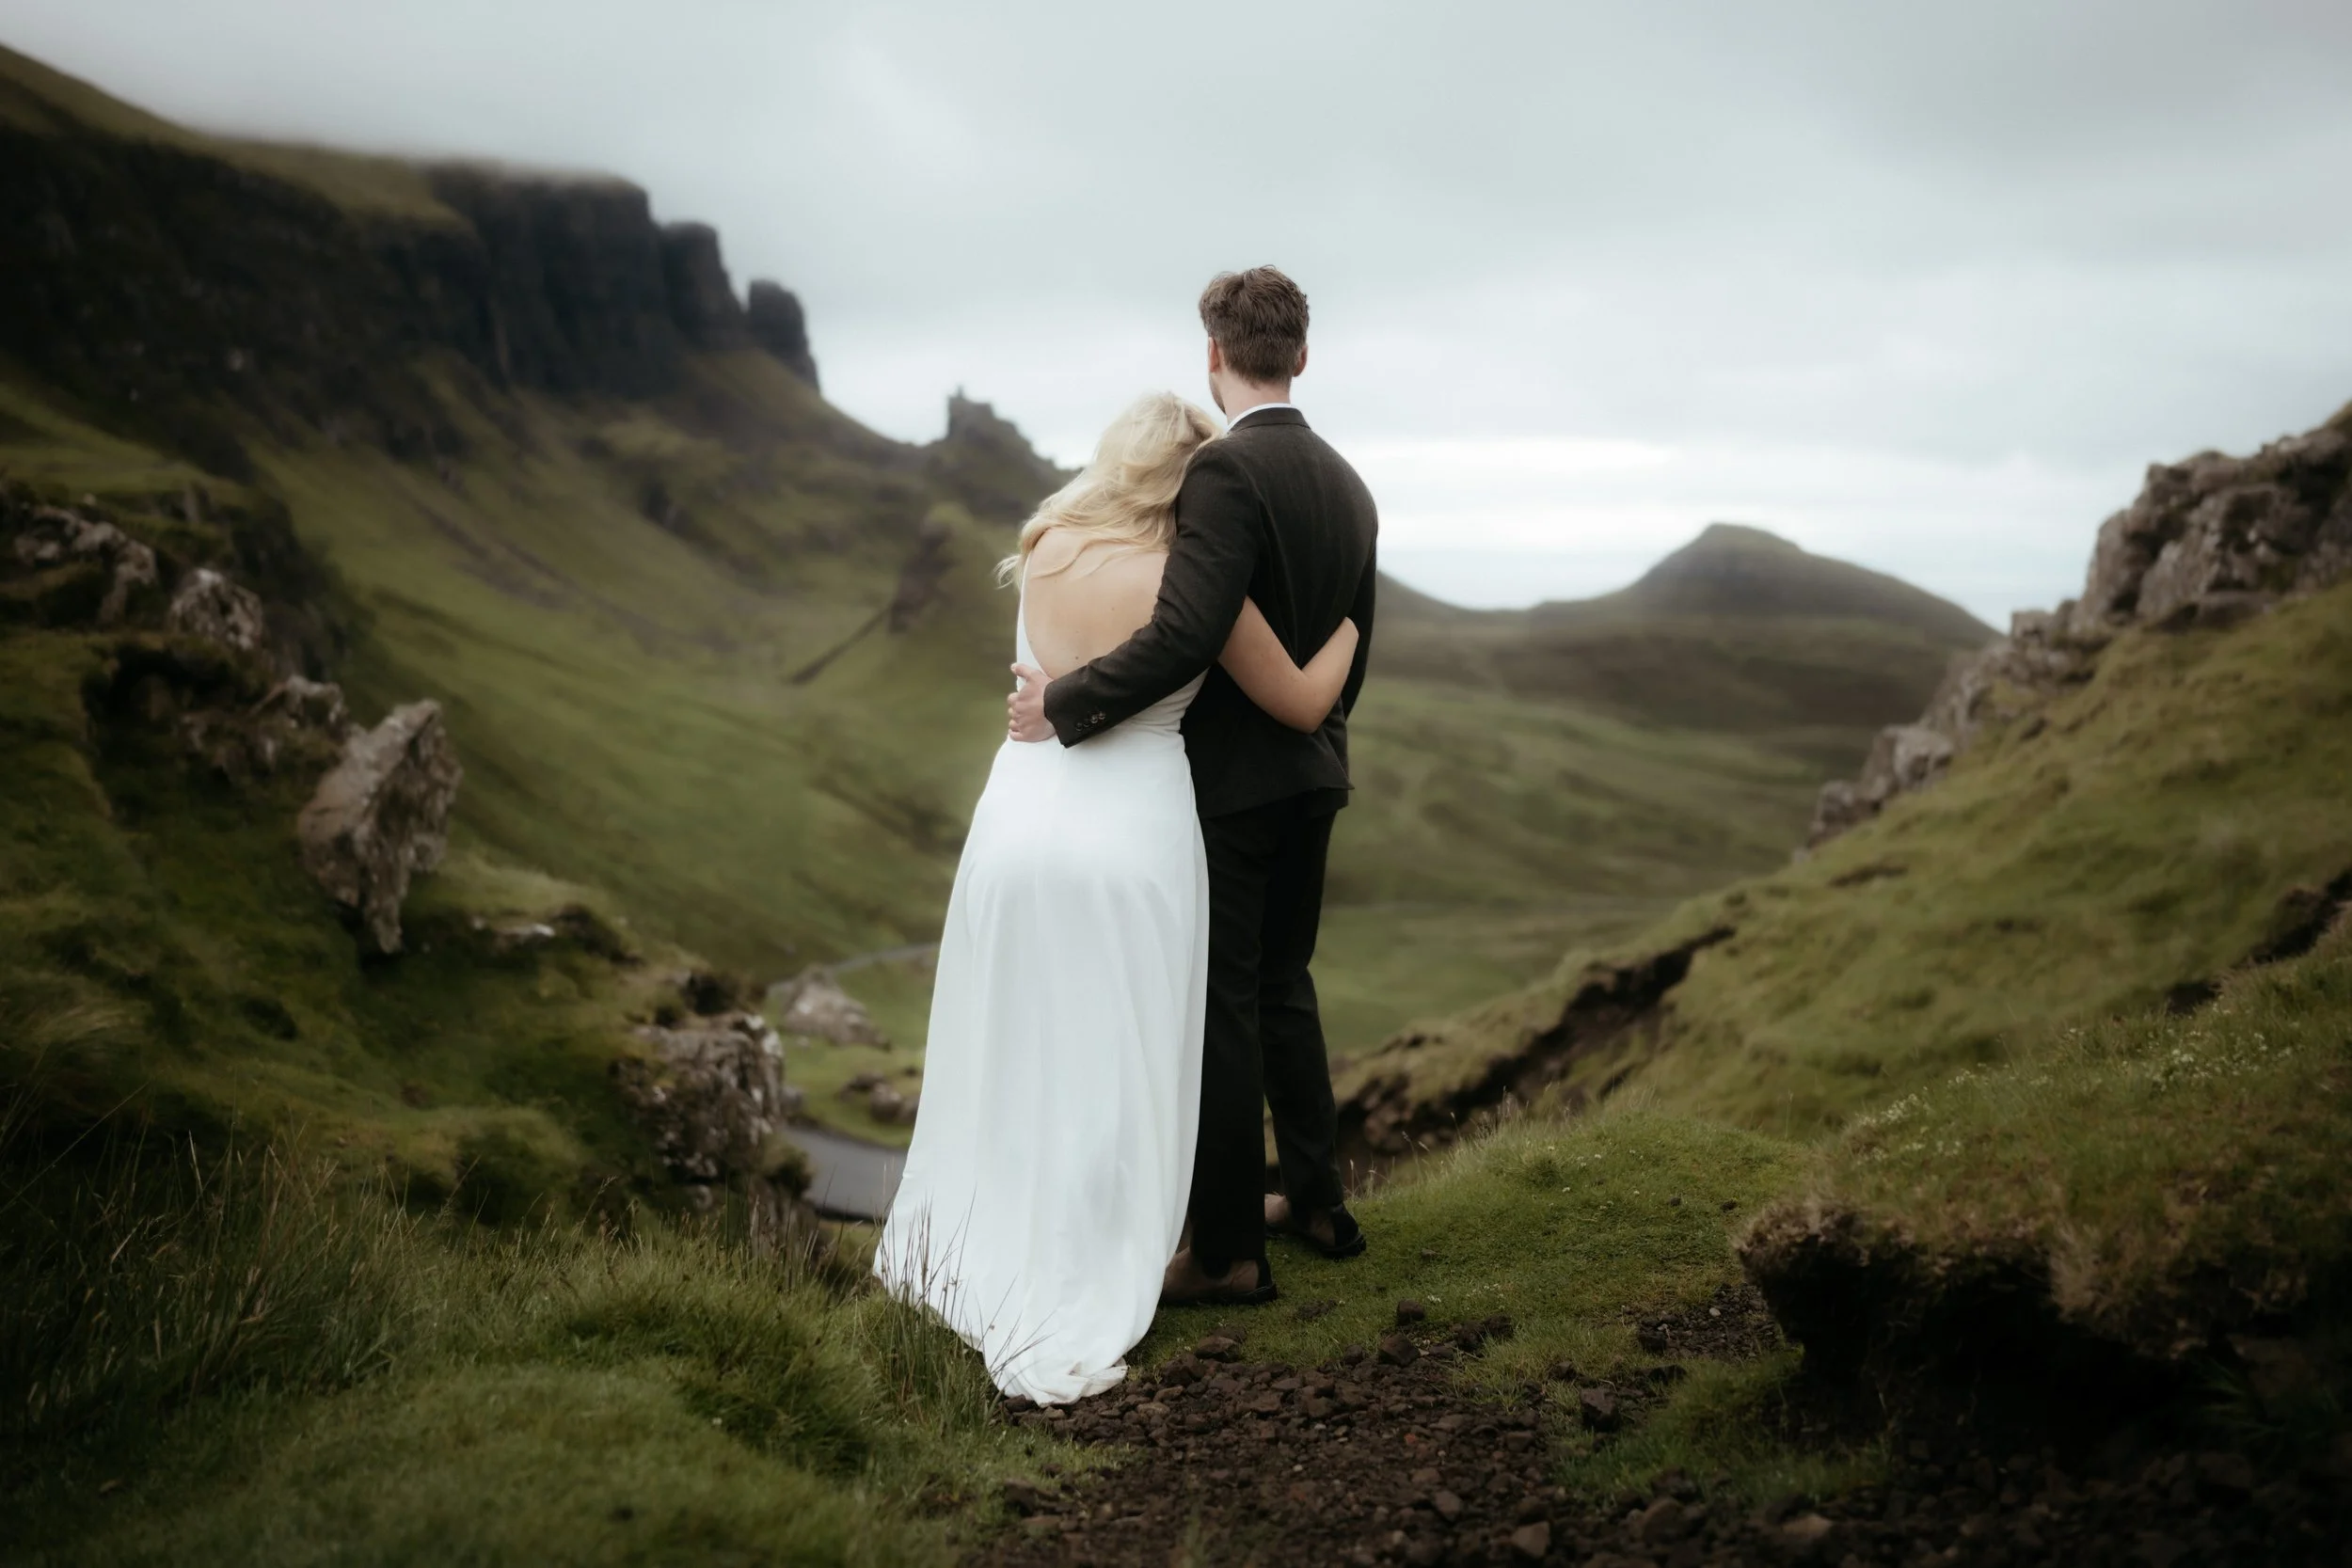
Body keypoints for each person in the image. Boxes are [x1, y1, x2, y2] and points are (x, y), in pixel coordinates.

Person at [874, 383, 1361, 1404]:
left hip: (1013, 830)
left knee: (1012, 1046)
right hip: (1131, 832)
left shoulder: (1044, 540)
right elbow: (1297, 696)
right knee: (1124, 1049)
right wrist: (1348, 635)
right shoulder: (1188, 578)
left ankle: (979, 1238)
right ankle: (1120, 1246)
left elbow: (1041, 681)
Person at [1008, 265, 1379, 1312]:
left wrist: (1065, 703)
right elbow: (1356, 649)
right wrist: (1316, 729)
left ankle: (1223, 1252)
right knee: (1284, 987)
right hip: (1317, 773)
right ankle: (1316, 1200)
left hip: (1233, 786)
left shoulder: (1220, 474)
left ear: (1212, 355)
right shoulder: (1352, 484)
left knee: (1222, 1005)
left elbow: (1184, 632)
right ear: (1302, 355)